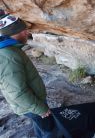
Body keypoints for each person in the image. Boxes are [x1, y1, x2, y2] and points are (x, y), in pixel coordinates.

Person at [0, 9, 60, 138]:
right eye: (23, 31)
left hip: (30, 103)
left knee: (41, 127)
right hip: (31, 105)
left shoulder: (8, 49)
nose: (27, 32)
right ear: (13, 33)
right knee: (51, 131)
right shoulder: (8, 56)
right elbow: (17, 92)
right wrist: (40, 109)